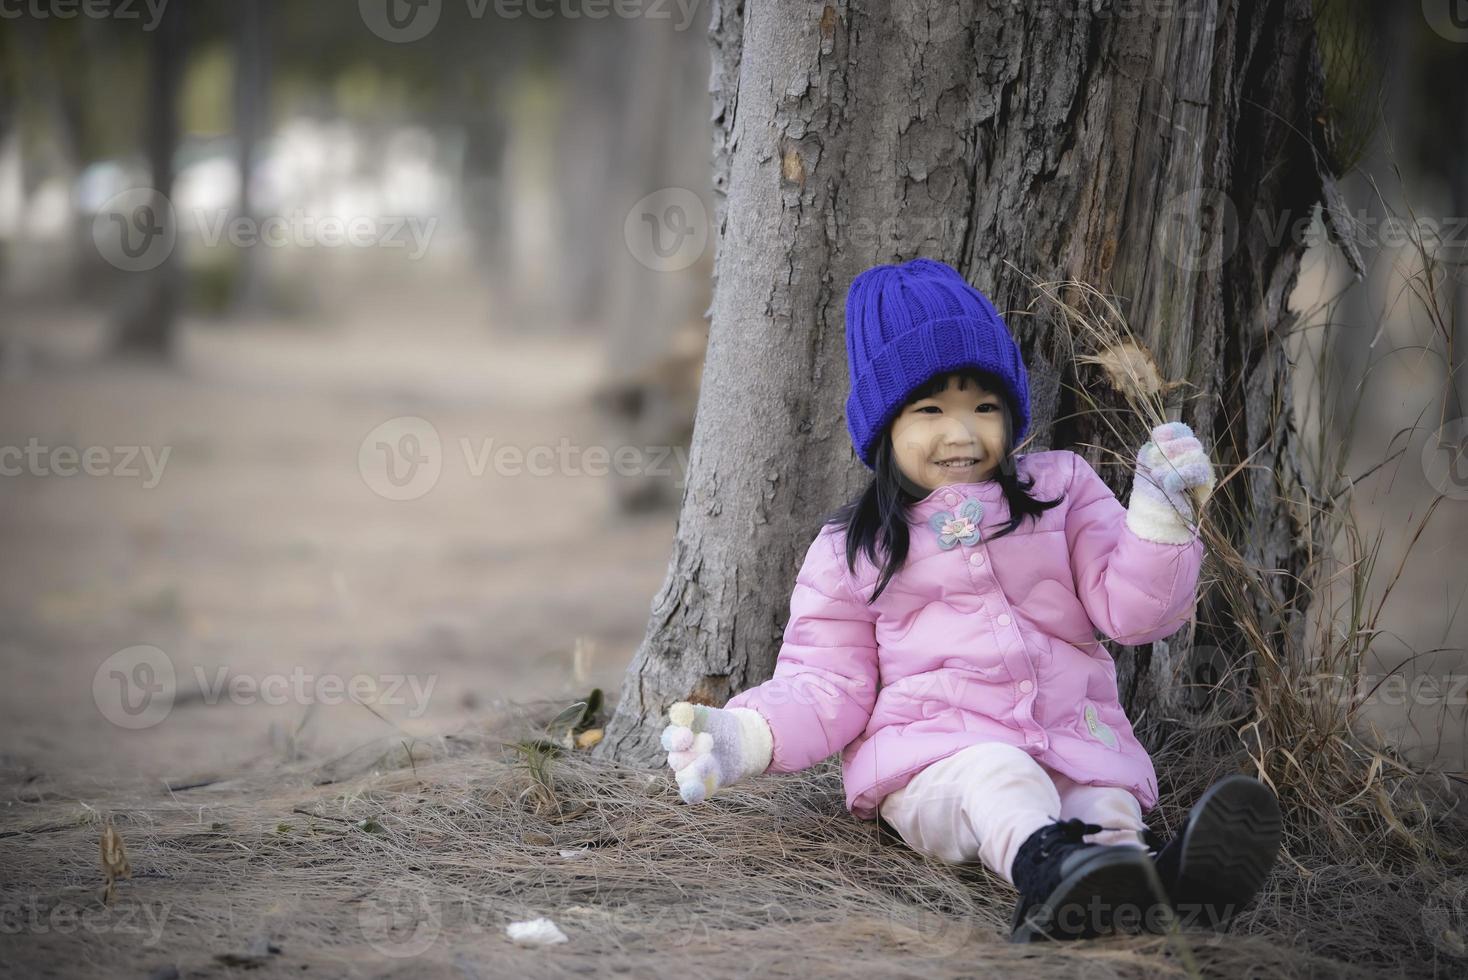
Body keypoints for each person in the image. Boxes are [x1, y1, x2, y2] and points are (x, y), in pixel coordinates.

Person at [659, 258, 1281, 942]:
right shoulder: (853, 549)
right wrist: (746, 735)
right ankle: (1050, 875)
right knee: (1000, 773)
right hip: (935, 766)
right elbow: (825, 682)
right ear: (885, 426)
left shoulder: (1060, 492)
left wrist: (1161, 524)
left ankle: (1145, 882)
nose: (962, 434)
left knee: (1104, 796)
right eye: (930, 410)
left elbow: (1134, 617)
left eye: (984, 407)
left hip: (1074, 741)